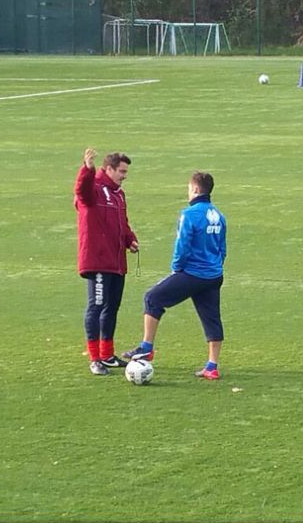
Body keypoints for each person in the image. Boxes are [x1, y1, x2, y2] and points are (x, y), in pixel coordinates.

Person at [123, 172, 227, 380]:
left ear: (196, 190)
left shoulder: (189, 214)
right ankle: (212, 366)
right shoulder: (219, 215)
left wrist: (176, 268)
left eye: (189, 189)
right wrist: (214, 267)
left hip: (192, 273)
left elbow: (182, 245)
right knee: (212, 319)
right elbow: (222, 249)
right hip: (214, 275)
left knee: (152, 298)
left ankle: (146, 348)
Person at [74, 148, 139, 376]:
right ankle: (95, 359)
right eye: (121, 171)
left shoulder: (118, 194)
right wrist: (87, 168)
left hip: (116, 261)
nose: (124, 175)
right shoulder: (94, 189)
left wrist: (129, 240)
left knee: (112, 308)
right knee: (97, 306)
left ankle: (108, 355)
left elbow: (122, 222)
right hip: (98, 261)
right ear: (108, 169)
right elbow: (81, 192)